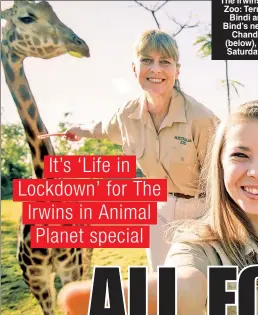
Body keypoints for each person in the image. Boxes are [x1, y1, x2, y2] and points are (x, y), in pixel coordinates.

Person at [56, 100, 258, 315]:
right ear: (219, 166)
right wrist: (152, 296)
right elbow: (184, 286)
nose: (256, 171)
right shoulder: (196, 245)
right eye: (240, 155)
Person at [64, 29, 219, 273]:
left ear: (177, 70)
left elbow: (220, 174)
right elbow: (102, 128)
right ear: (134, 68)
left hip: (200, 210)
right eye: (146, 60)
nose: (155, 69)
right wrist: (77, 130)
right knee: (160, 280)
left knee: (193, 283)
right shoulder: (127, 114)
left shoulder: (200, 117)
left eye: (165, 62)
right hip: (158, 207)